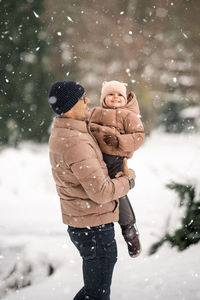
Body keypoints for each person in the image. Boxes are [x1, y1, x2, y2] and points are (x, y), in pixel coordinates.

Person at [48, 80, 136, 300]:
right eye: (82, 98)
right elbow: (102, 192)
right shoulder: (75, 142)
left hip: (86, 224)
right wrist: (128, 181)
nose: (88, 100)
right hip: (95, 229)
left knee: (93, 292)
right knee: (96, 294)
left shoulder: (71, 133)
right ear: (69, 106)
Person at [88, 80, 145, 258]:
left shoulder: (128, 116)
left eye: (120, 95)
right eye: (111, 94)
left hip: (115, 159)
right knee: (98, 192)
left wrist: (119, 140)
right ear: (104, 98)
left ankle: (129, 230)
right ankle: (101, 229)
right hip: (96, 158)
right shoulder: (96, 112)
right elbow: (88, 129)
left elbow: (139, 136)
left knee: (117, 192)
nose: (116, 97)